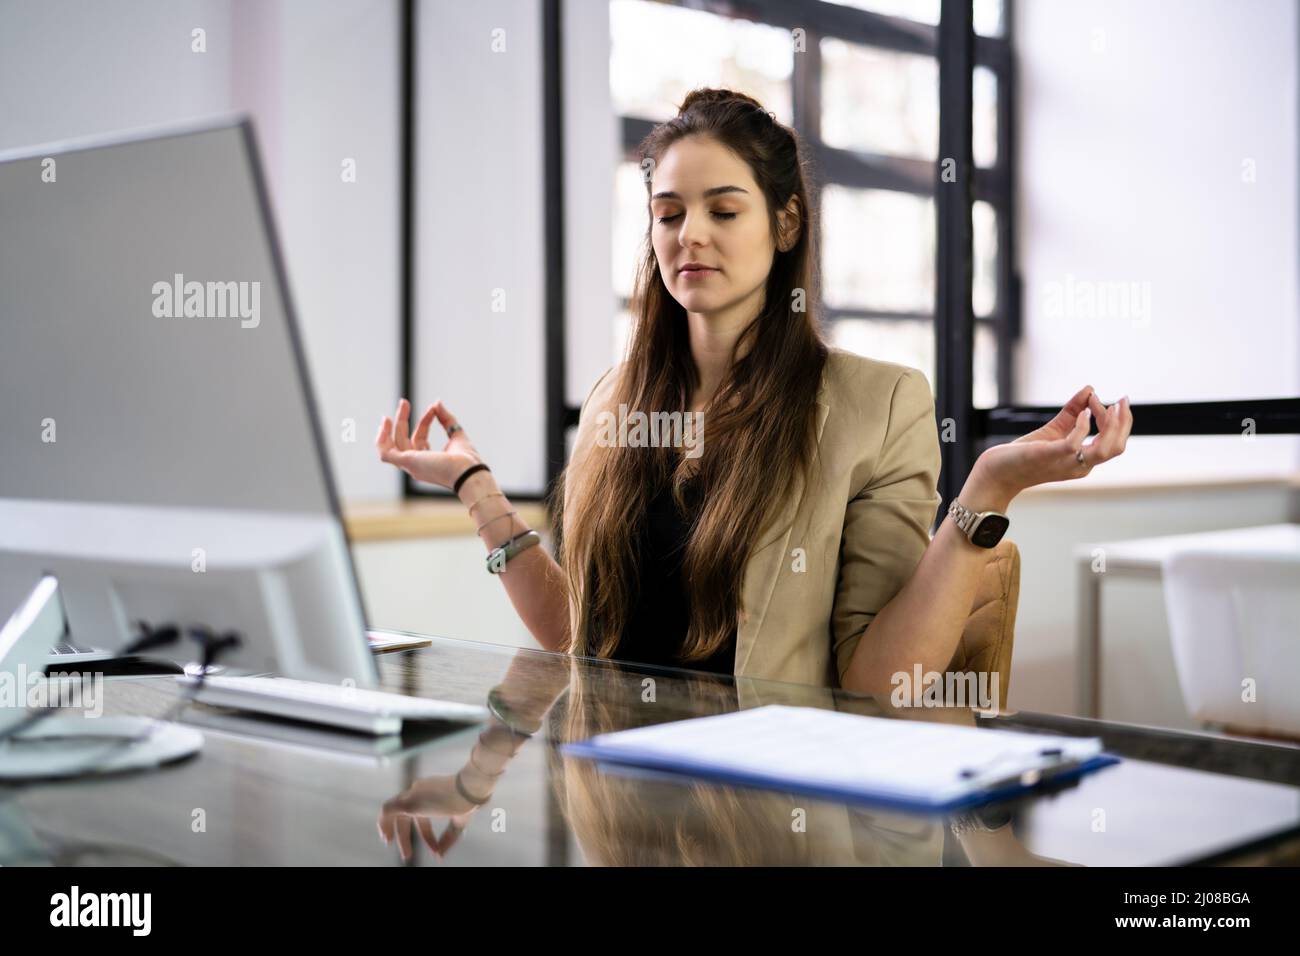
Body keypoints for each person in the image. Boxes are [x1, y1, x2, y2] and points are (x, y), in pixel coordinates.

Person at [375, 88, 1132, 693]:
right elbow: (580, 635)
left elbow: (878, 682)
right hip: (613, 810)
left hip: (767, 814)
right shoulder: (616, 402)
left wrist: (990, 489)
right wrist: (477, 489)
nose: (689, 235)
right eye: (667, 214)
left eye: (723, 210)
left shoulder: (880, 404)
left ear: (786, 223)